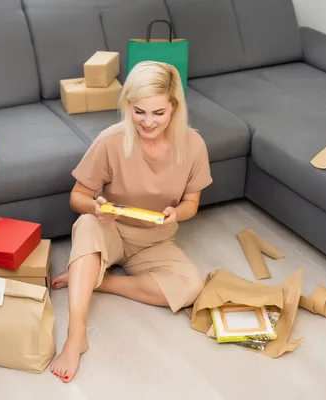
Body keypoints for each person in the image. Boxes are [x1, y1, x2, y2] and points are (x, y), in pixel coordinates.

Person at [50, 61, 213, 383]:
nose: (148, 122)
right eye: (139, 112)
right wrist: (97, 208)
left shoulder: (193, 145)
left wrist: (177, 213)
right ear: (128, 105)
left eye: (158, 113)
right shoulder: (111, 140)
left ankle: (97, 279)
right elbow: (77, 196)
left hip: (156, 239)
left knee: (191, 287)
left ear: (174, 108)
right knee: (86, 225)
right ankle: (75, 335)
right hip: (110, 228)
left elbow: (192, 203)